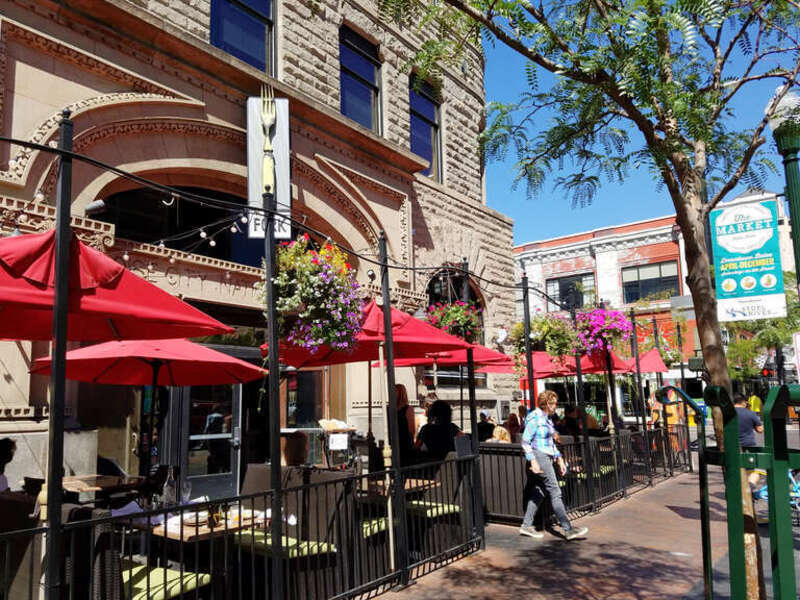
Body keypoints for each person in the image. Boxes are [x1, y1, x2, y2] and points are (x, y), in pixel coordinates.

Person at [519, 390, 588, 541]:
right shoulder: (535, 418)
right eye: (554, 403)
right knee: (555, 491)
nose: (556, 406)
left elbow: (550, 443)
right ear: (547, 404)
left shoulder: (547, 418)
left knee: (541, 490)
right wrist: (533, 461)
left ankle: (526, 525)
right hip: (540, 456)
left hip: (546, 456)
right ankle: (568, 529)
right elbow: (525, 441)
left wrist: (560, 459)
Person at [396, 384, 417, 465]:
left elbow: (412, 430)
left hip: (405, 443)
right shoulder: (390, 408)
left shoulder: (408, 409)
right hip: (395, 442)